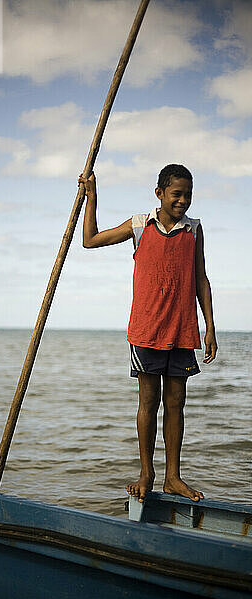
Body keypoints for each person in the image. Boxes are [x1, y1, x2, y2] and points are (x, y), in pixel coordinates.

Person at [78, 164, 217, 503]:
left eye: (187, 195)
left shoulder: (194, 230)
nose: (183, 201)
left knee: (176, 403)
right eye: (176, 195)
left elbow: (200, 278)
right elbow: (90, 240)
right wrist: (91, 197)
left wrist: (209, 326)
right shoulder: (140, 225)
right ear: (160, 194)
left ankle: (173, 477)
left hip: (183, 330)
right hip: (146, 331)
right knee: (148, 402)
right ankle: (147, 473)